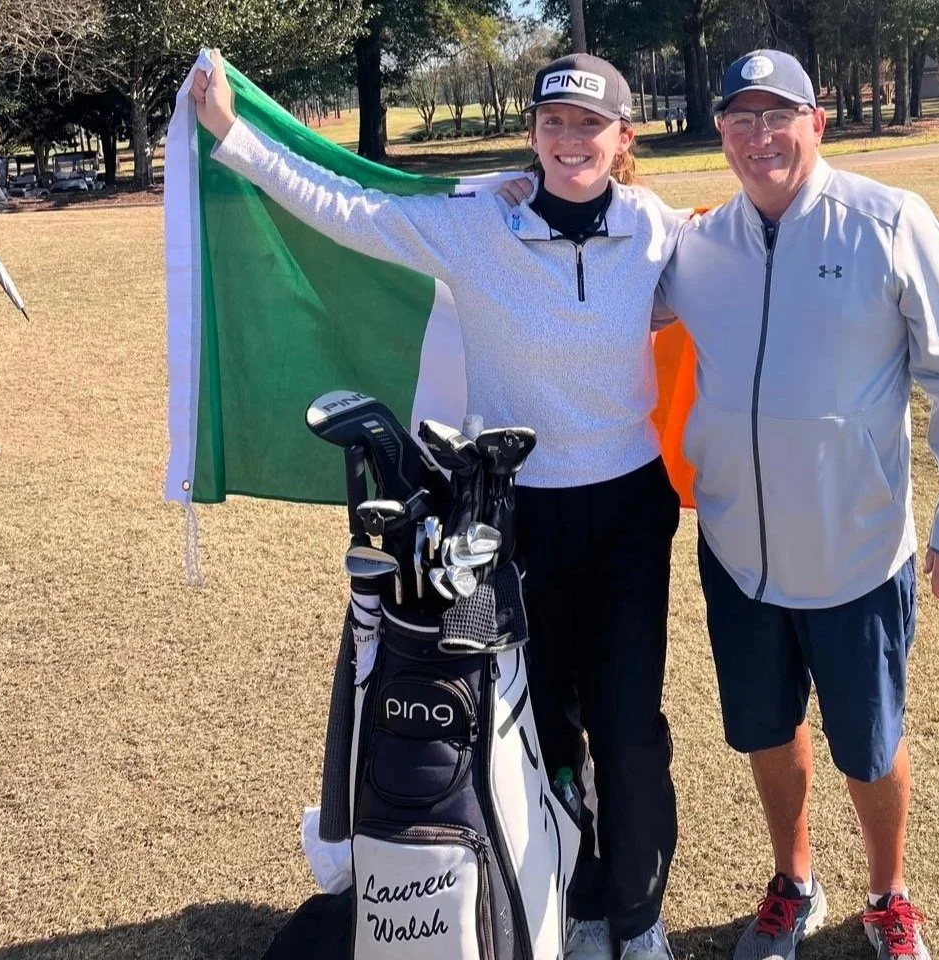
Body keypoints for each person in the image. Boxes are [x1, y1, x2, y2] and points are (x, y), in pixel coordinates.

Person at [191, 49, 680, 960]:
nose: (571, 140)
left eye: (591, 125)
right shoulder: (477, 227)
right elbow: (349, 209)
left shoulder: (658, 231)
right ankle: (569, 899)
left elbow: (726, 284)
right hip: (506, 516)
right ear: (533, 133)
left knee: (630, 727)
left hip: (626, 509)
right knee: (538, 720)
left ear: (623, 137)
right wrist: (234, 134)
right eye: (554, 123)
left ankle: (637, 916)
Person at [658, 50, 939, 960]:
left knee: (870, 744)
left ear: (818, 123)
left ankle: (888, 894)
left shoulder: (889, 220)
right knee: (766, 730)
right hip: (738, 552)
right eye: (741, 117)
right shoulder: (698, 245)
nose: (760, 135)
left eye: (780, 115)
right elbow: (597, 290)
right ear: (721, 131)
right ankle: (793, 881)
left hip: (858, 552)